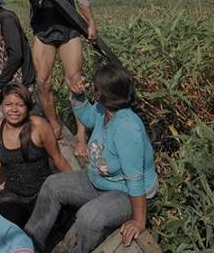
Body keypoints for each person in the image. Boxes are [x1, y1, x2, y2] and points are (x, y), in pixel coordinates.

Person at [24, 64, 158, 252]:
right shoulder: (104, 109)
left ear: (103, 93)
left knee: (89, 217)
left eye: (95, 87)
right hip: (100, 180)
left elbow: (135, 180)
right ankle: (28, 243)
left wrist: (138, 221)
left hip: (127, 193)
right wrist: (79, 96)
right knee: (52, 185)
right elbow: (87, 117)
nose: (92, 88)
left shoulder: (127, 127)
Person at [17, 0, 97, 159]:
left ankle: (82, 135)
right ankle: (54, 123)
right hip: (43, 30)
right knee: (43, 82)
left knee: (75, 81)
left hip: (69, 28)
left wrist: (91, 22)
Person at [0, 84, 71, 228]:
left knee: (49, 228)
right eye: (8, 104)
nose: (14, 110)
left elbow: (58, 159)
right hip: (12, 195)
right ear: (1, 106)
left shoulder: (39, 126)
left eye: (20, 105)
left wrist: (76, 184)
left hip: (44, 194)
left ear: (27, 107)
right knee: (5, 228)